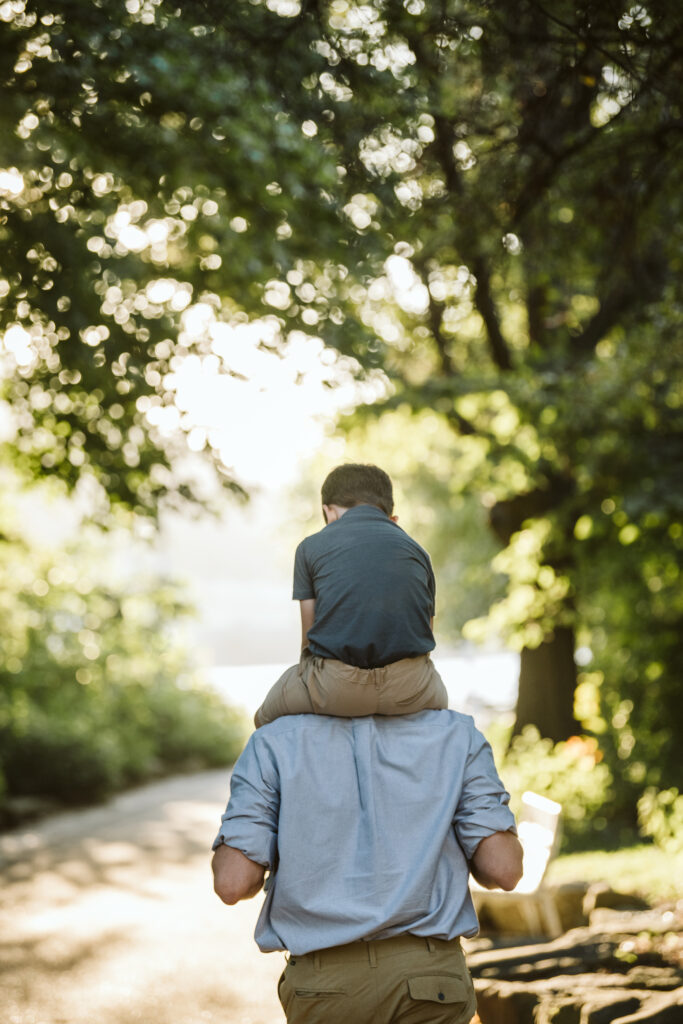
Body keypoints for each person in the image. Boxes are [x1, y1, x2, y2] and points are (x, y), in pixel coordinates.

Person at [212, 709, 523, 1023]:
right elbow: (504, 870)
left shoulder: (273, 742)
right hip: (431, 979)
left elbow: (232, 882)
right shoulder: (457, 734)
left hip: (325, 985)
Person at [254, 463, 448, 728]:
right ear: (391, 516)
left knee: (264, 718)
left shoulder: (310, 547)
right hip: (412, 690)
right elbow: (426, 634)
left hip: (336, 689)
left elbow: (308, 643)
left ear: (329, 512)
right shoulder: (418, 552)